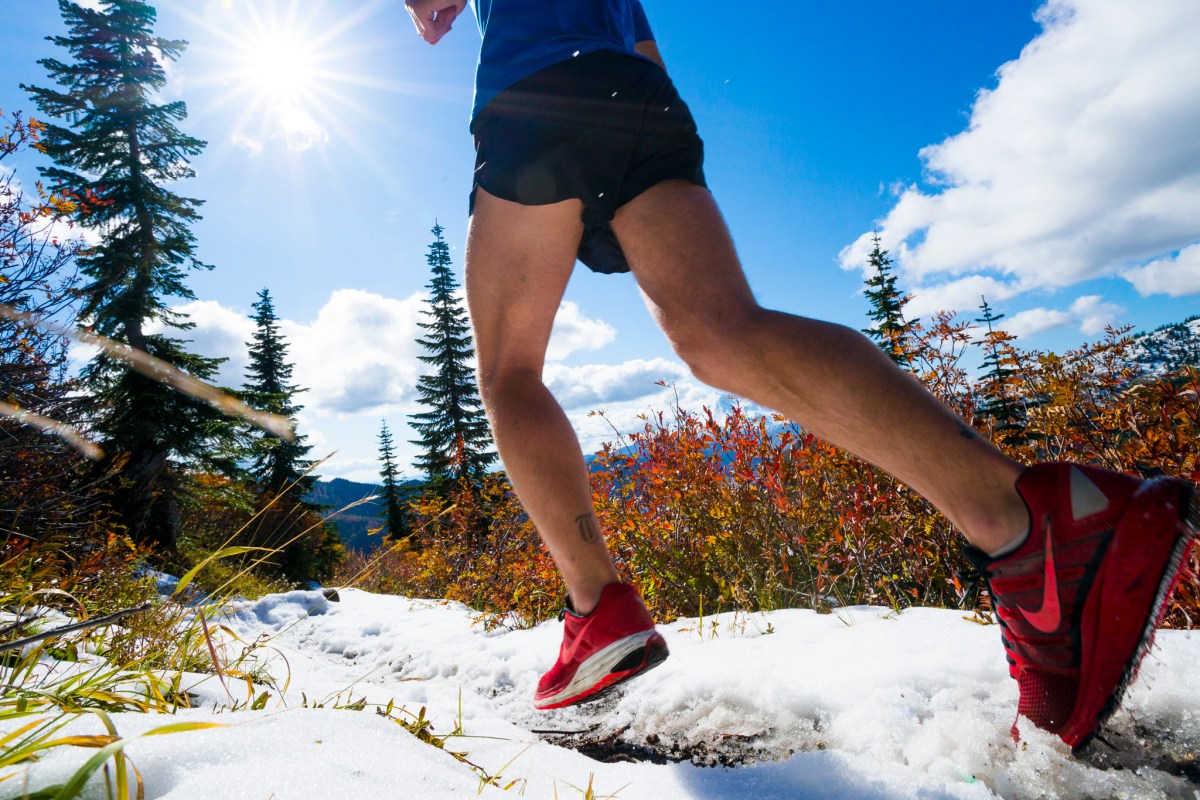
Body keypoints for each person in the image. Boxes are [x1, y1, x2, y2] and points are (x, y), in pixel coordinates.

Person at [404, 0, 1198, 750]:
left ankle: (596, 607)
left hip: (533, 87)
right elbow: (642, 45)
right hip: (641, 99)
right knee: (723, 332)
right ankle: (1027, 522)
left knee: (510, 369)